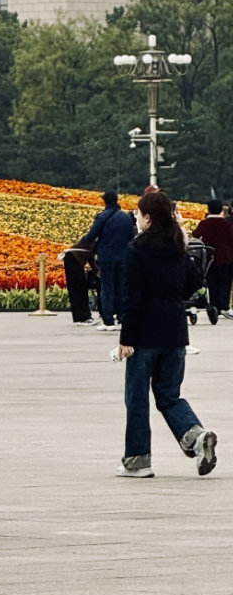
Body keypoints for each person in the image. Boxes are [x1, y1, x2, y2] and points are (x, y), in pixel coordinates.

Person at [117, 189, 217, 478]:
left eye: (138, 214)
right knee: (169, 395)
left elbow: (131, 297)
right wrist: (174, 299)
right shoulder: (176, 248)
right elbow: (195, 279)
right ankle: (195, 436)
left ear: (147, 218)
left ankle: (138, 459)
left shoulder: (137, 250)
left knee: (137, 397)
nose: (136, 218)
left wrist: (126, 338)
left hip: (146, 333)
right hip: (175, 331)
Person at [81, 191, 136, 330]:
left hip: (106, 257)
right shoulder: (126, 218)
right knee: (121, 287)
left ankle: (108, 320)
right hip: (123, 257)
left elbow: (91, 235)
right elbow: (132, 237)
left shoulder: (102, 217)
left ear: (105, 201)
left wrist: (83, 242)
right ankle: (122, 317)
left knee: (107, 287)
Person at [194, 201, 233, 324]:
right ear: (221, 210)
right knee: (225, 282)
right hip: (224, 257)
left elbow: (195, 234)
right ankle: (224, 306)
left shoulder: (205, 223)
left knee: (212, 282)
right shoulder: (226, 224)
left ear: (209, 210)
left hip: (209, 258)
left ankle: (214, 305)